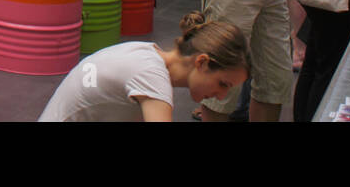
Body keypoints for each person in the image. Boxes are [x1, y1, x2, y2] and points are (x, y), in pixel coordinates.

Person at [39, 13, 251, 122]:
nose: (222, 97)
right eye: (223, 84)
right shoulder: (151, 76)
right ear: (202, 62)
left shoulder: (146, 55)